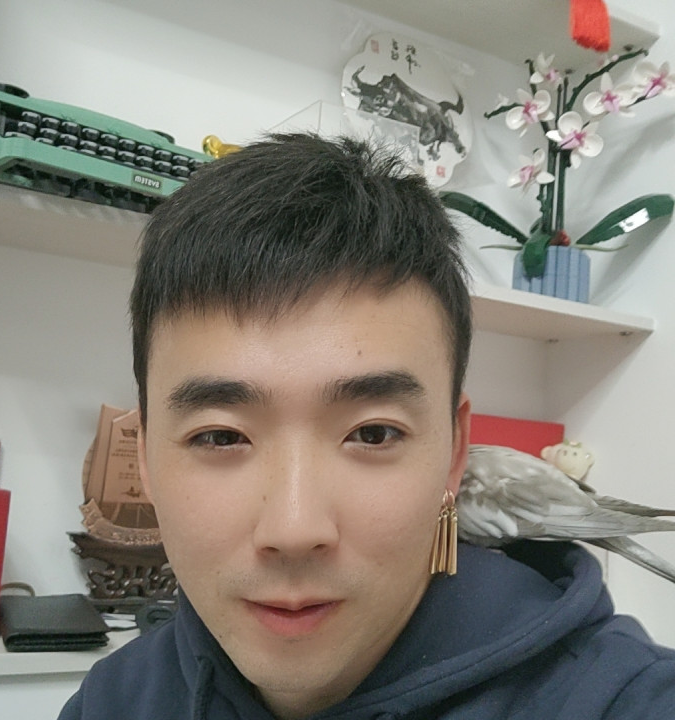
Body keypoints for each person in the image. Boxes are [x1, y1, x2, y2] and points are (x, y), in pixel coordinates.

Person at [59, 133, 675, 720]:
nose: (294, 529)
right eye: (220, 436)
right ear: (145, 455)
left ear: (454, 452)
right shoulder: (111, 701)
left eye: (373, 433)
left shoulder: (625, 698)